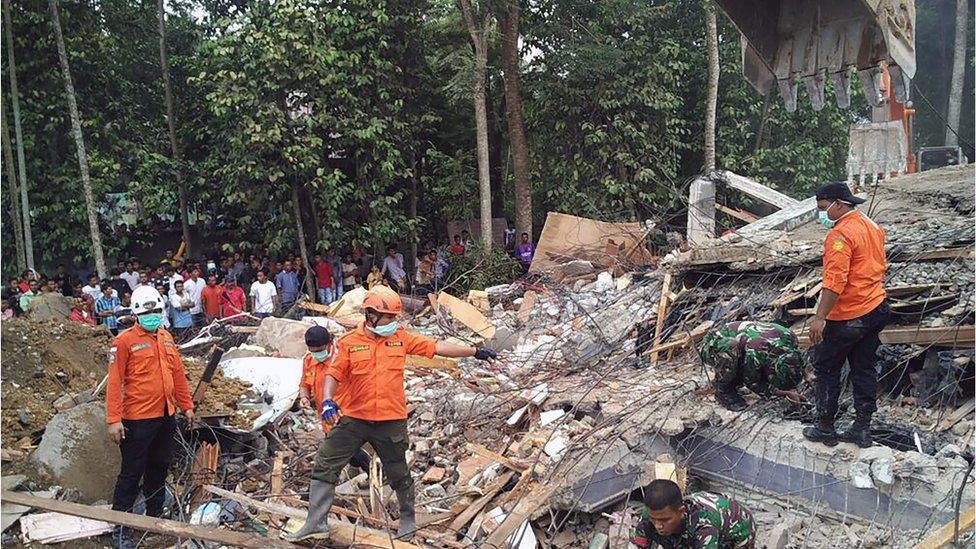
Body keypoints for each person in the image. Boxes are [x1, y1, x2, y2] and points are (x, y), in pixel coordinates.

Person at [285, 289, 498, 542]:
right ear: (371, 315)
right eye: (388, 317)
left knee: (398, 472)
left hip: (390, 420)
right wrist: (328, 400)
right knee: (324, 464)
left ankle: (408, 518)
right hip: (354, 418)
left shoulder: (401, 338)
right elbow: (333, 374)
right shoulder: (349, 343)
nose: (393, 322)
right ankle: (315, 523)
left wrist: (473, 352)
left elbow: (436, 347)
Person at [105, 286, 194, 549]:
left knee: (159, 468)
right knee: (131, 473)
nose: (152, 316)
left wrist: (186, 405)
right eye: (147, 313)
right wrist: (113, 419)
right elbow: (114, 382)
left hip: (166, 415)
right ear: (135, 313)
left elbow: (177, 374)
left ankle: (154, 518)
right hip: (137, 419)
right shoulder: (122, 342)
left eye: (156, 311)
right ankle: (120, 527)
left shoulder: (166, 338)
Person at [803, 182, 889, 448]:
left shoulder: (839, 235)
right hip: (875, 306)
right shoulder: (870, 225)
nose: (822, 213)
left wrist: (820, 318)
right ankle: (862, 428)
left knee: (826, 368)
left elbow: (834, 283)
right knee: (864, 368)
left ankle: (825, 426)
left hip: (849, 315)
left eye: (823, 208)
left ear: (839, 204)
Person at [298, 327, 371, 472]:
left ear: (330, 343)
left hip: (347, 416)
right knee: (347, 454)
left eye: (320, 350)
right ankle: (367, 472)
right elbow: (304, 383)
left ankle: (375, 471)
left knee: (336, 454)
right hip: (327, 418)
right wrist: (304, 397)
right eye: (314, 351)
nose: (317, 354)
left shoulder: (342, 359)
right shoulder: (309, 360)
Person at [699, 321, 806, 411]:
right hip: (711, 345)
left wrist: (807, 376)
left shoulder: (790, 338)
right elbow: (752, 383)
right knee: (731, 348)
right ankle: (723, 389)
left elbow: (796, 362)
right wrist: (784, 393)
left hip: (744, 344)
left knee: (745, 359)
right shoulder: (755, 353)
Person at [631, 479, 756, 549]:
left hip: (738, 531)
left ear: (681, 511)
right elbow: (639, 544)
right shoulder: (650, 517)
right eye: (654, 519)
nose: (658, 526)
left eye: (665, 520)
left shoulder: (704, 527)